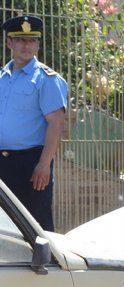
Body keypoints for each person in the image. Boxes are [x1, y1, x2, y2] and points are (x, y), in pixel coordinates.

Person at [0, 15, 68, 231]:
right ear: (9, 42)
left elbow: (55, 124)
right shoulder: (2, 77)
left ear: (38, 44)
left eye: (32, 40)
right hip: (3, 163)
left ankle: (43, 265)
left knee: (35, 226)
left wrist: (44, 164)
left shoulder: (46, 79)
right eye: (21, 39)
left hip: (31, 163)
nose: (27, 45)